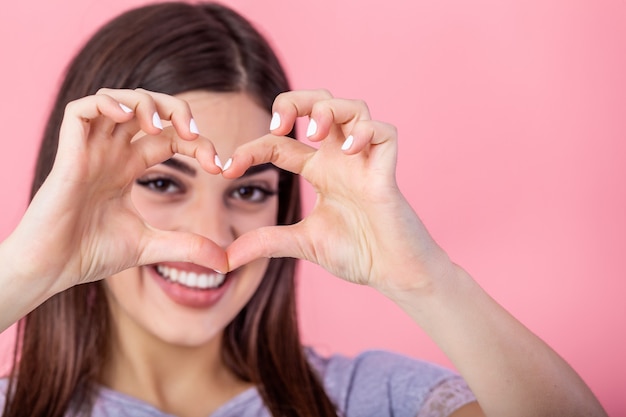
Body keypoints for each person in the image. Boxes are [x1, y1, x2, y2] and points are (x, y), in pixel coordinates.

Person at [0, 2, 607, 417]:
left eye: (249, 192)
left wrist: (422, 278)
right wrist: (28, 272)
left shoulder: (370, 397)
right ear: (74, 188)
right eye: (162, 183)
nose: (211, 237)